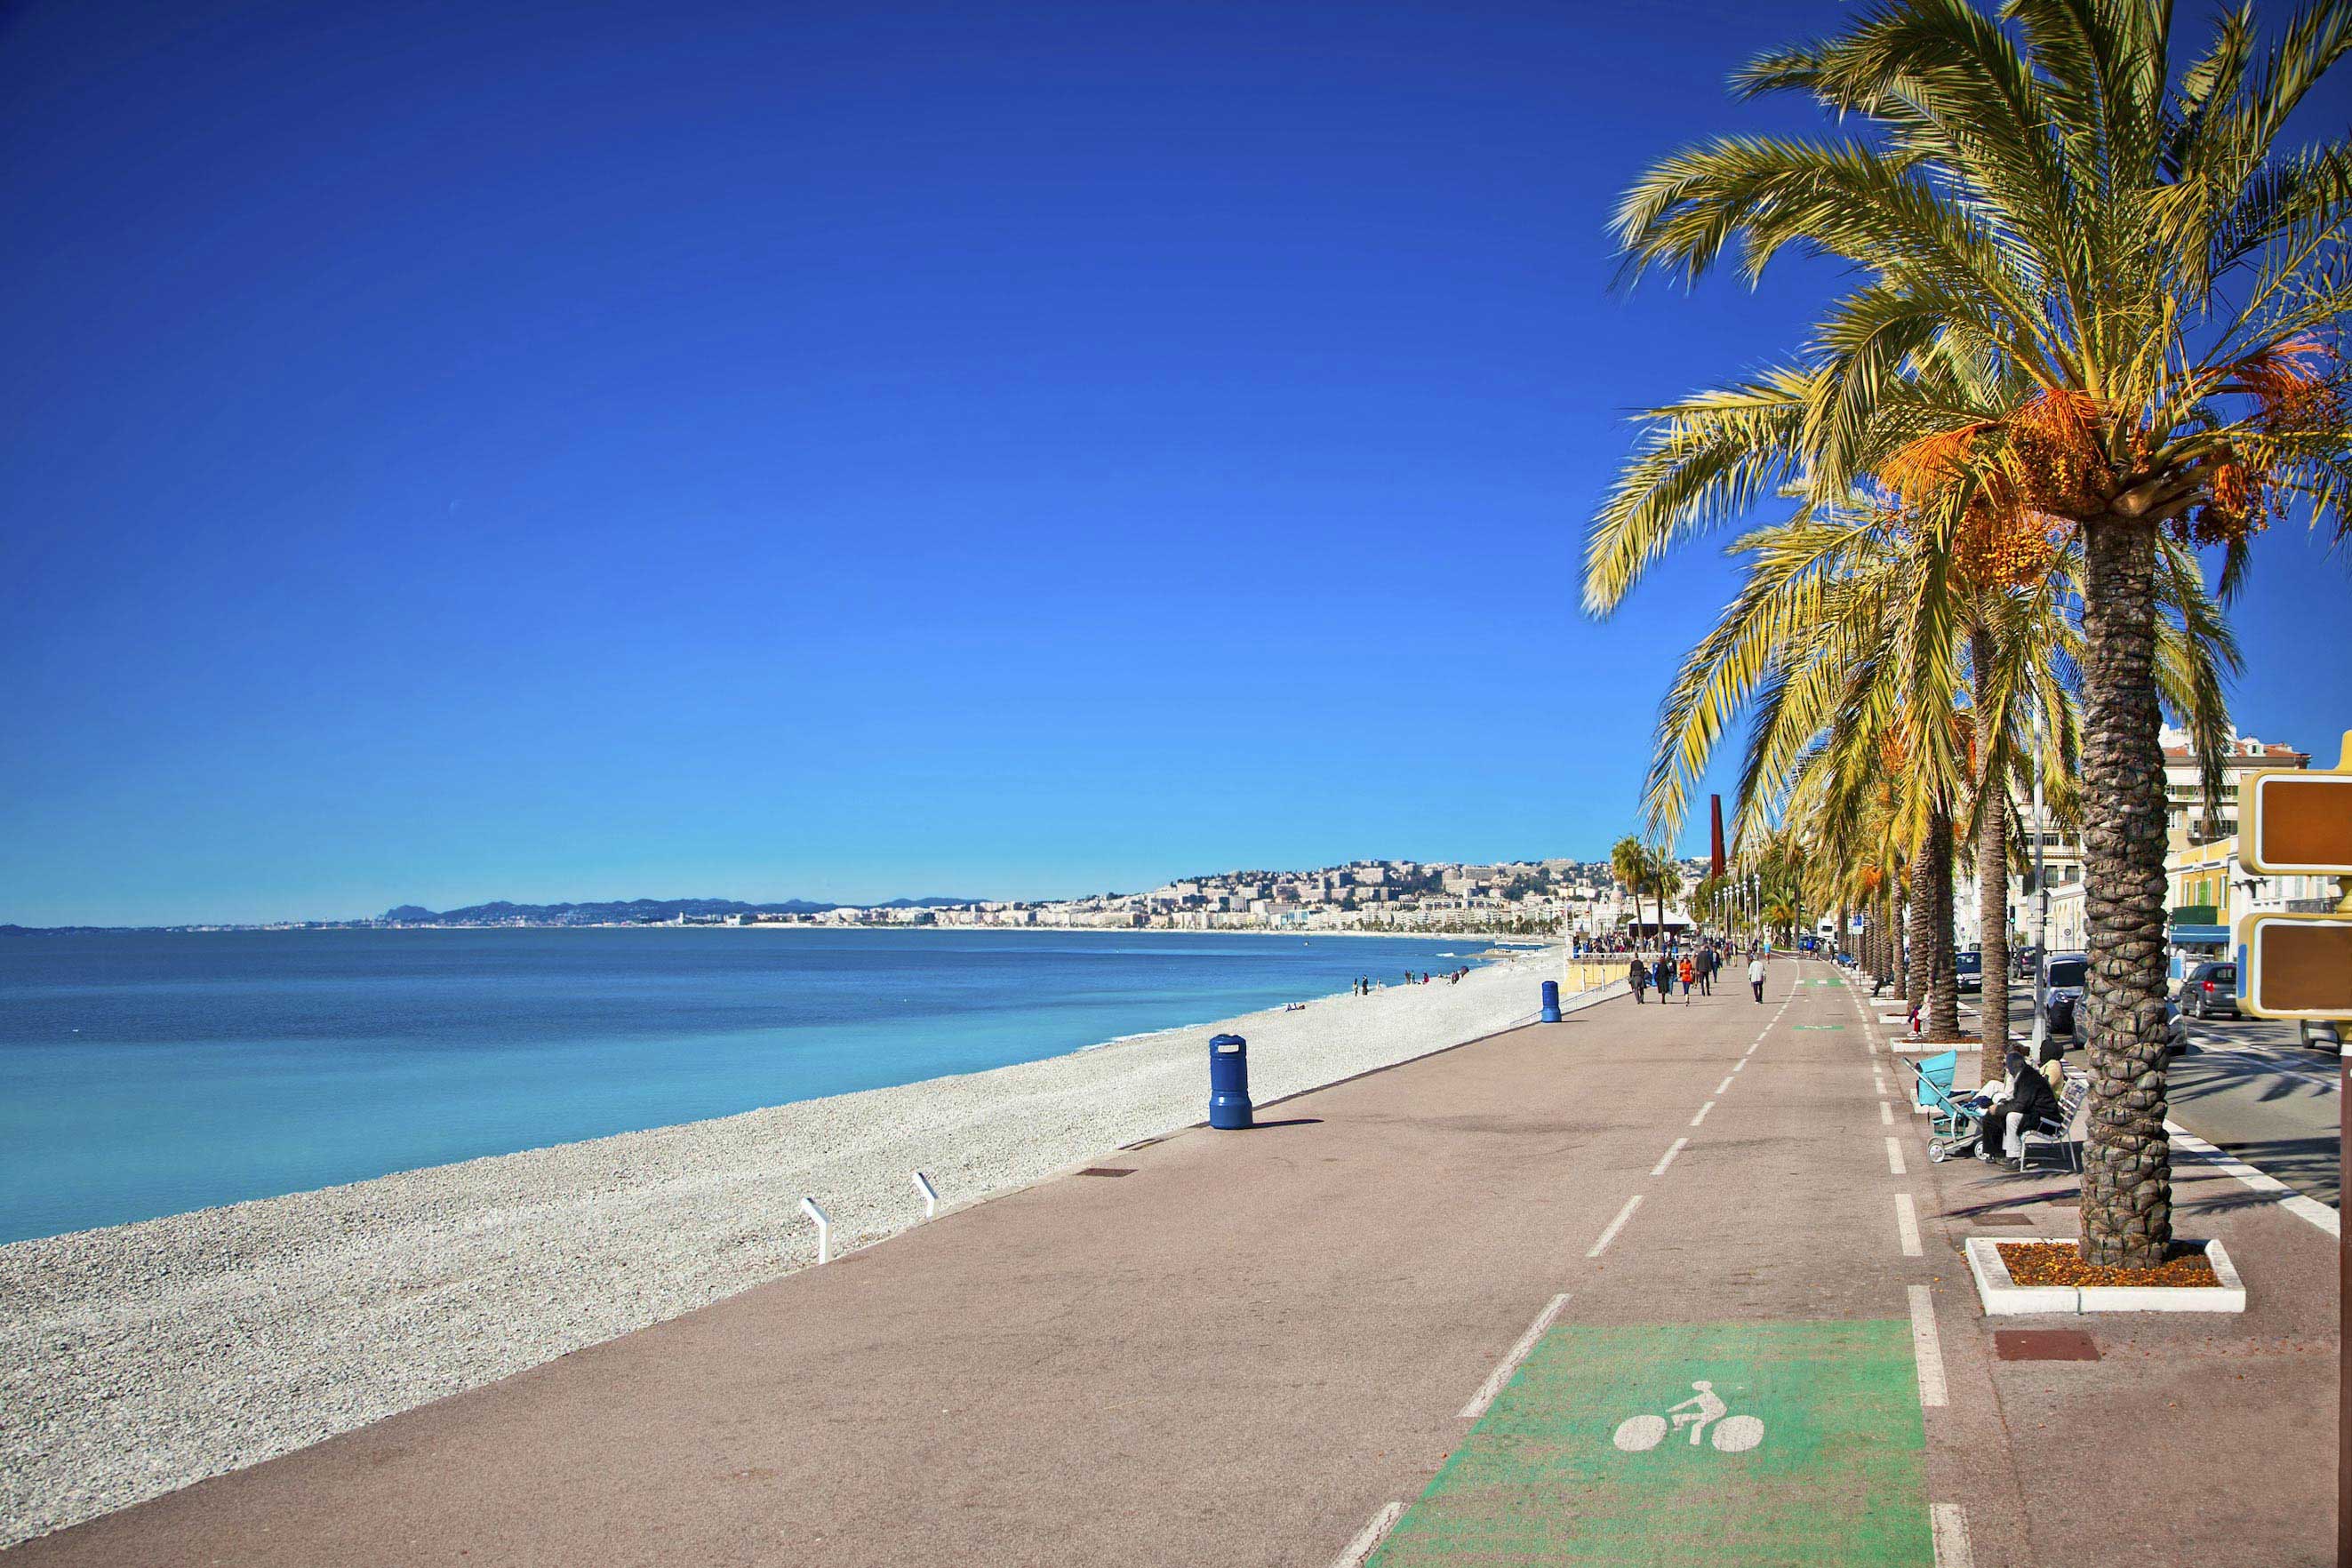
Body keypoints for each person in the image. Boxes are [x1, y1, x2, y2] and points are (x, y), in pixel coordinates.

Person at [1984, 1046, 2063, 1167]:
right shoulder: (2024, 1075)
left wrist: (1999, 1109)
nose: (2006, 1070)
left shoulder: (2029, 1080)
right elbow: (2019, 1101)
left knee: (2012, 1117)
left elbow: (2020, 1106)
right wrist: (1999, 1108)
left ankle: (2014, 1158)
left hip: (2046, 1120)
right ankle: (1996, 1152)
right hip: (2035, 1114)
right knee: (1992, 1115)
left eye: (2007, 1067)